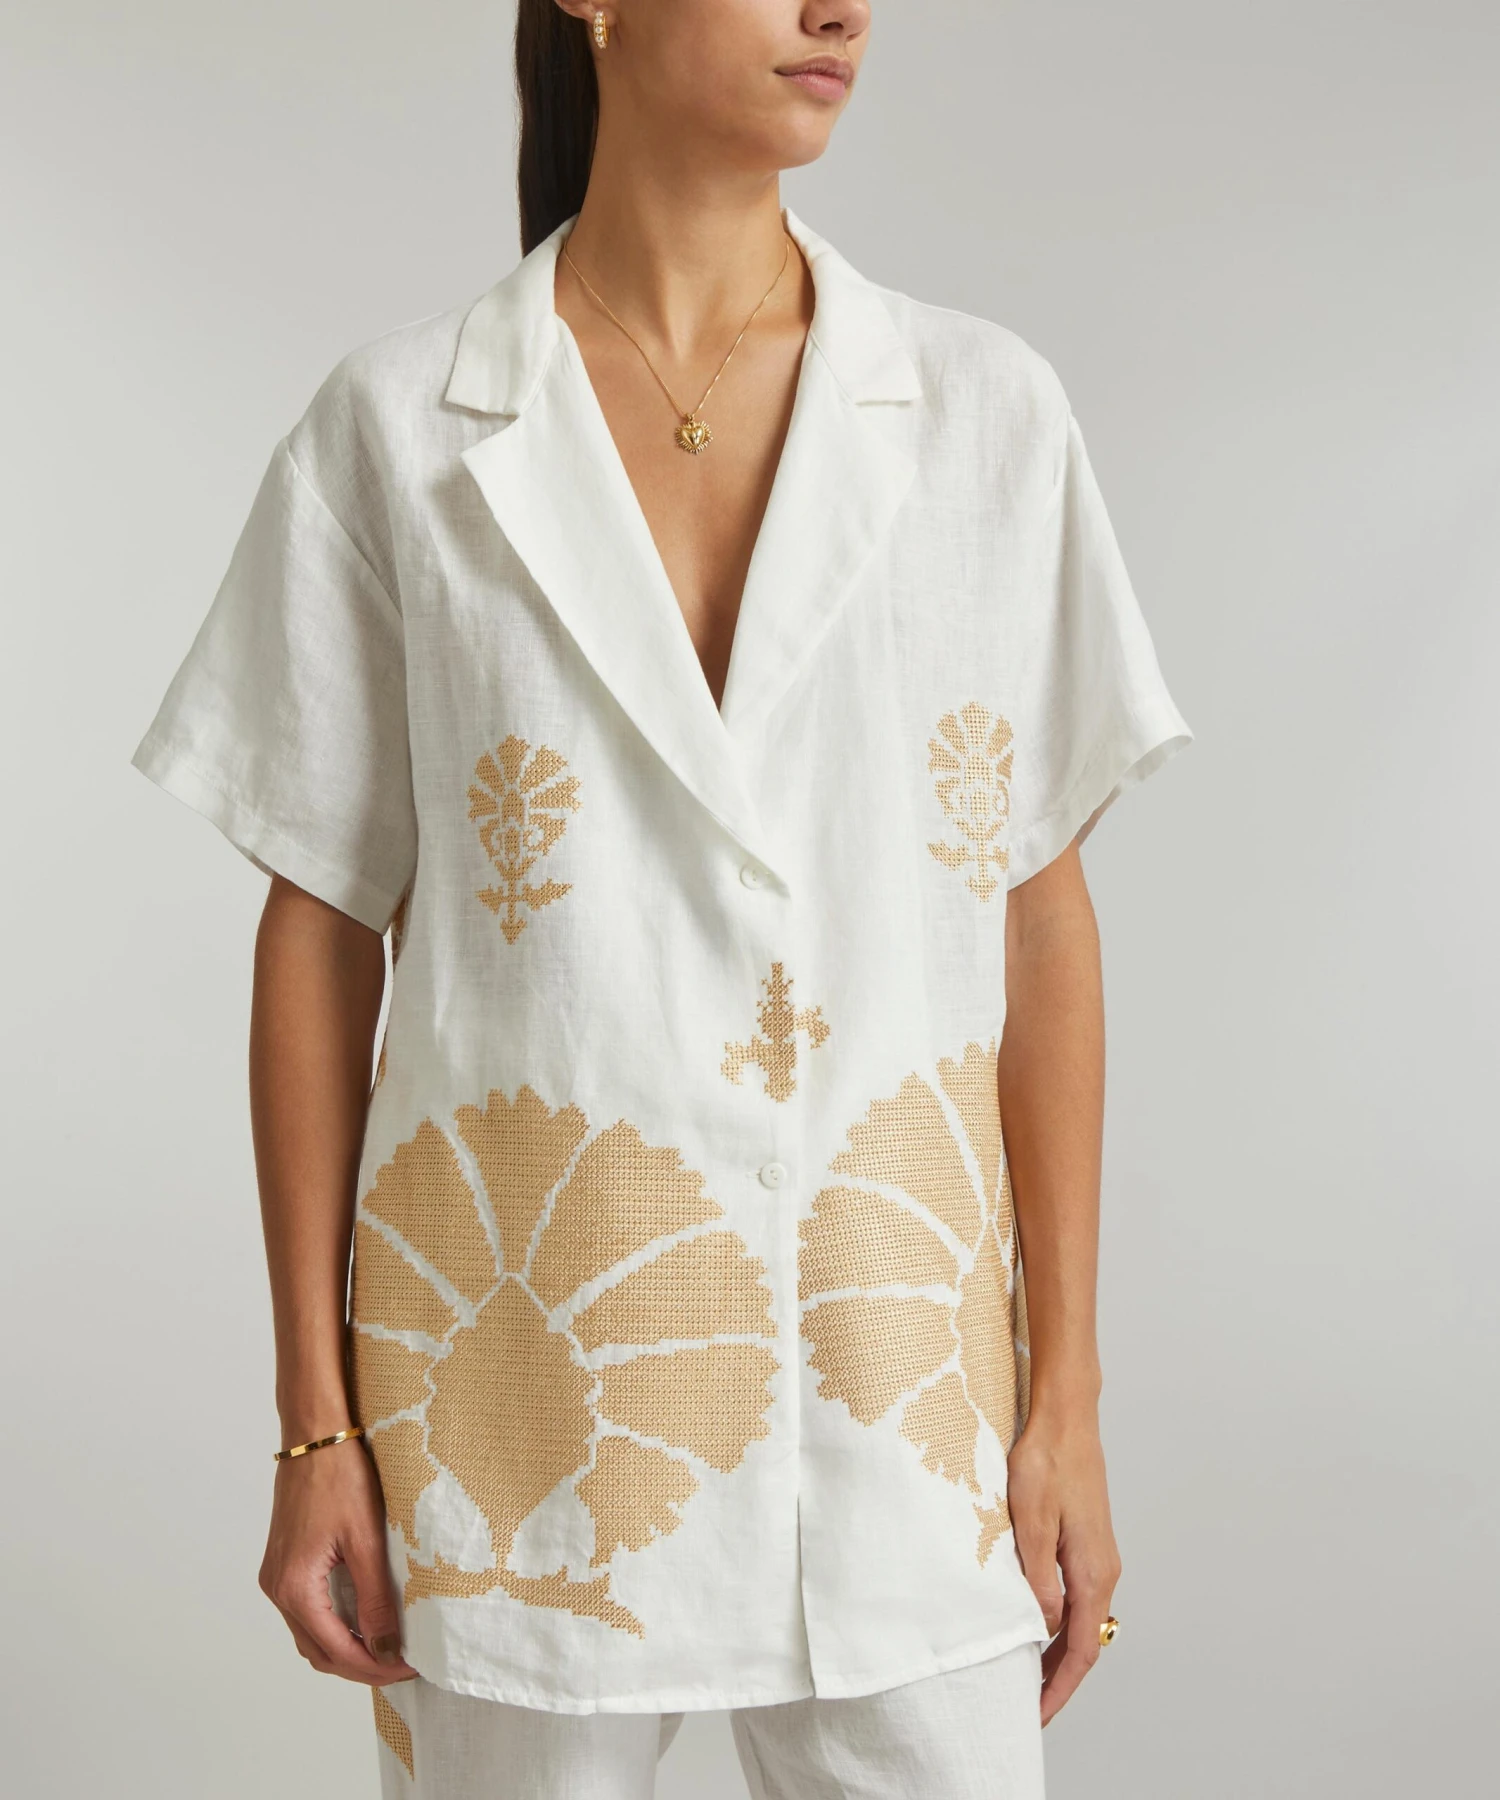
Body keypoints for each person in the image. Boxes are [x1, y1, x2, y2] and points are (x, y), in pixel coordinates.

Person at [129, 2, 1192, 1795]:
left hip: (905, 1406)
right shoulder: (396, 434)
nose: (842, 9)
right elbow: (316, 932)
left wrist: (1066, 1399)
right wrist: (317, 1422)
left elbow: (1037, 913)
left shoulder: (985, 416)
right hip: (514, 1418)